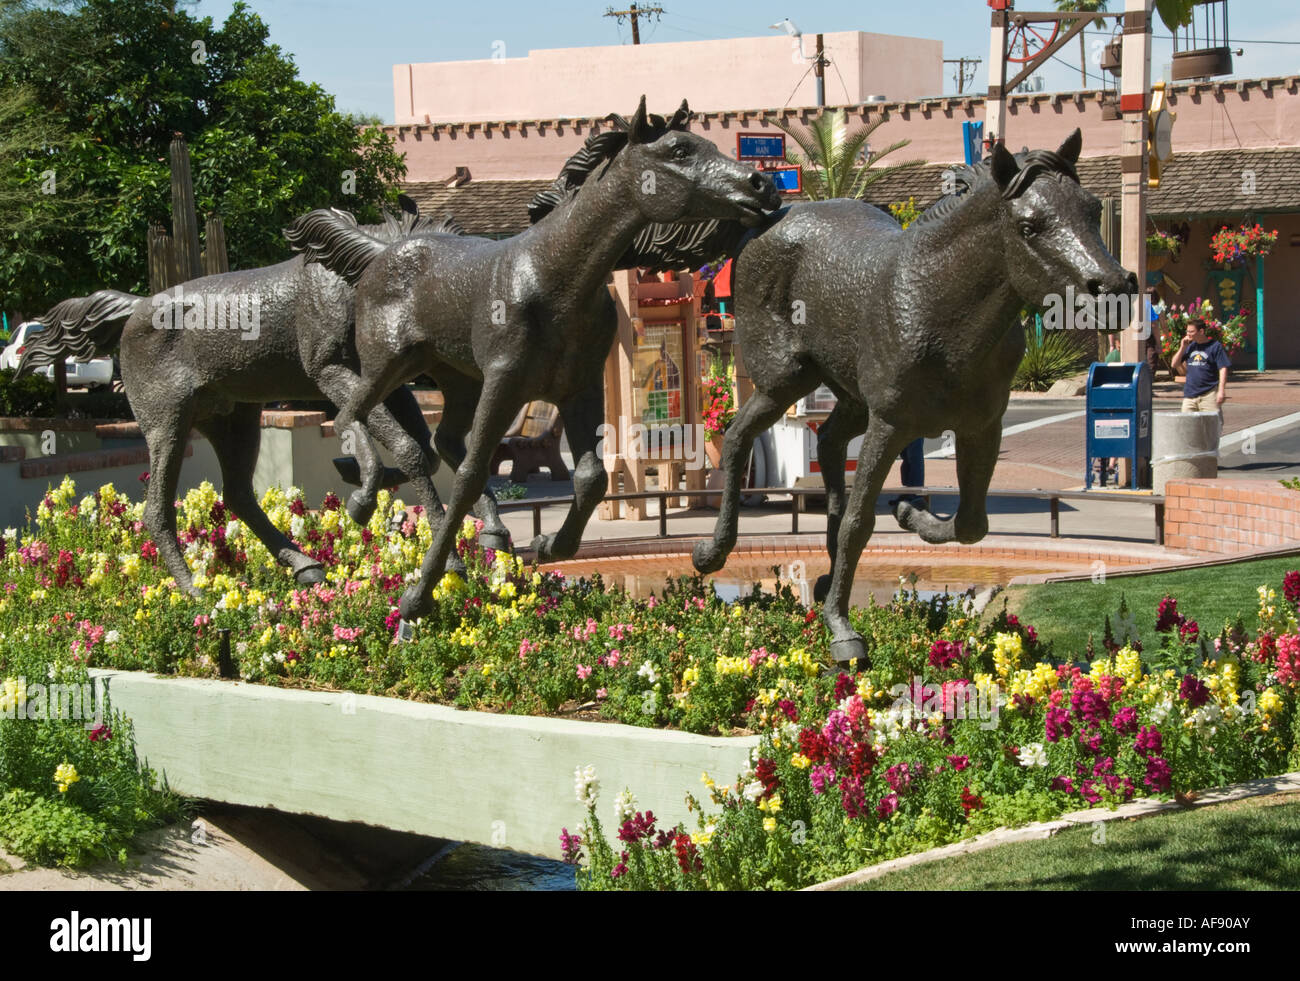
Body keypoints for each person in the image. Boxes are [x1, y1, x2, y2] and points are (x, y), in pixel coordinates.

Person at [1171, 317, 1230, 418]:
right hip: (1190, 395)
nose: (1188, 334)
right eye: (1187, 331)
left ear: (1201, 331)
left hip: (1209, 394)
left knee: (1211, 427)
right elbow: (1174, 364)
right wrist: (1182, 347)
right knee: (1187, 426)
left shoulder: (1215, 346)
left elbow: (1223, 368)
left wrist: (1221, 390)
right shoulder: (1190, 346)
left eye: (1191, 331)